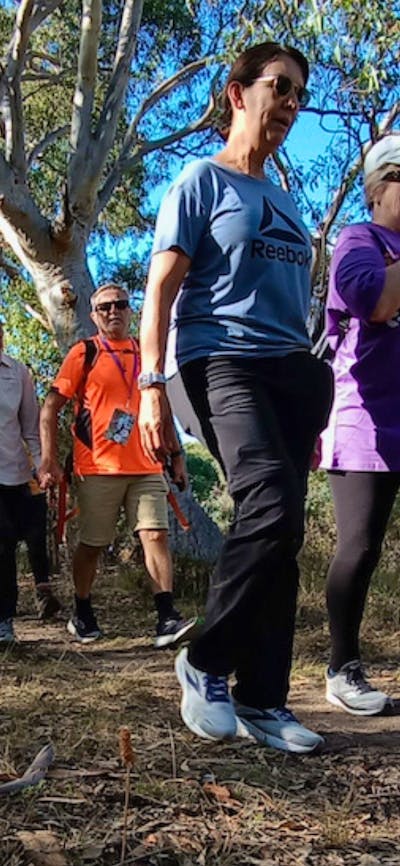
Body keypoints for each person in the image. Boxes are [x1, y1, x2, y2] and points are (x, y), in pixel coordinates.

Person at [138, 42, 333, 753]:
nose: (288, 103)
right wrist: (151, 386)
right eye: (278, 87)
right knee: (272, 503)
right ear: (237, 94)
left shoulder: (283, 200)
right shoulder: (199, 182)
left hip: (291, 370)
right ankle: (205, 659)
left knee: (283, 530)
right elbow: (159, 290)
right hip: (220, 360)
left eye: (297, 95)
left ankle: (264, 700)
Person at [39, 283, 197, 647]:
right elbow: (50, 408)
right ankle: (82, 611)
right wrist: (48, 460)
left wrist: (176, 456)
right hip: (98, 468)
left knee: (155, 535)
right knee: (93, 544)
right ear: (94, 315)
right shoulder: (85, 352)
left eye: (121, 305)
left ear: (131, 311)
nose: (113, 312)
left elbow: (163, 409)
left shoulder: (147, 355)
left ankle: (166, 617)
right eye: (105, 307)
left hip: (147, 464)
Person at [320, 133, 400, 715]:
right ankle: (341, 666)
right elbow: (375, 303)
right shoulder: (358, 240)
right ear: (377, 189)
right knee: (360, 545)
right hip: (364, 423)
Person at [0, 323, 61, 644]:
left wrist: (43, 467)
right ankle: (4, 618)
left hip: (14, 473)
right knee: (3, 539)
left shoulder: (16, 372)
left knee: (18, 538)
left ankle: (7, 618)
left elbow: (31, 428)